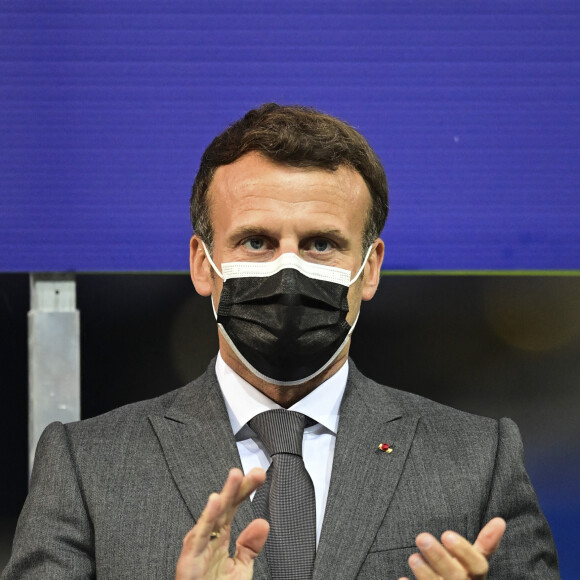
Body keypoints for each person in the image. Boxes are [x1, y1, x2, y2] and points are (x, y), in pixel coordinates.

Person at [3, 104, 559, 580]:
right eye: (256, 241)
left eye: (320, 244)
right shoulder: (87, 467)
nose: (288, 272)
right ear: (203, 264)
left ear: (369, 270)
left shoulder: (477, 462)